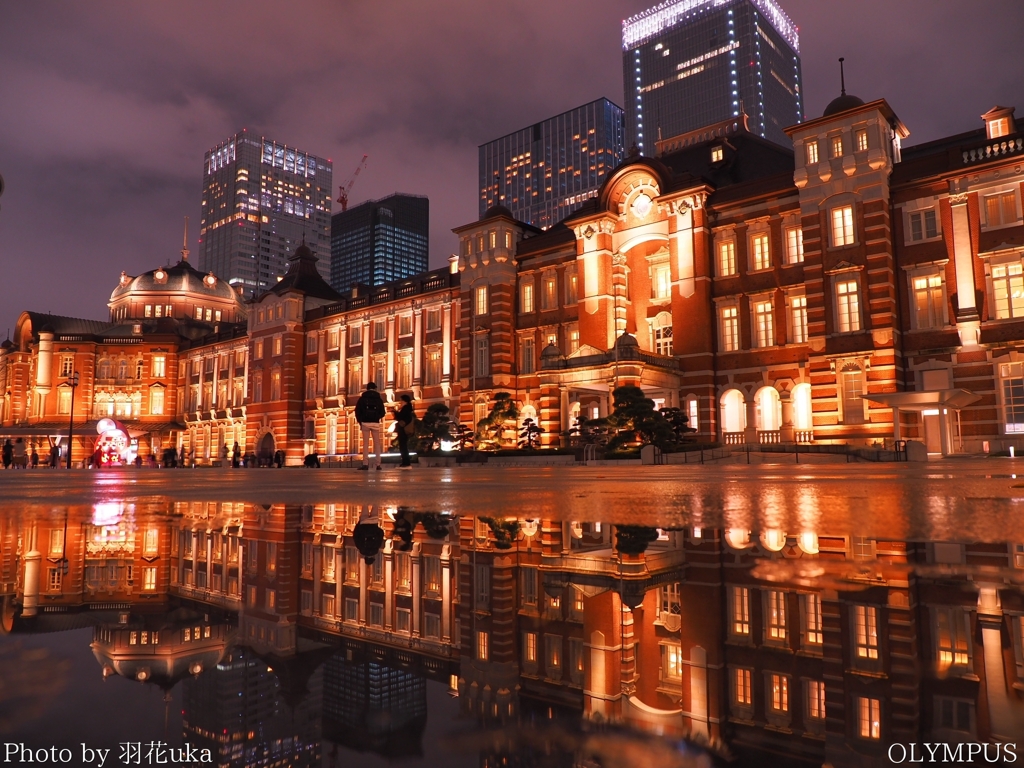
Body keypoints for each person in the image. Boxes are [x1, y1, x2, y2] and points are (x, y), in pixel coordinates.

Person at [354, 382, 386, 471]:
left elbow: (357, 411)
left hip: (365, 423)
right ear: (375, 388)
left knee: (365, 444)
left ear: (367, 388)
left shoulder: (362, 398)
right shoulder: (378, 399)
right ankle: (378, 464)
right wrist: (377, 417)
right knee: (377, 444)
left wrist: (360, 421)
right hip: (375, 423)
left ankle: (365, 464)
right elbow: (383, 412)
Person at [393, 394, 415, 469]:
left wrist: (395, 412)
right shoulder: (408, 408)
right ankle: (406, 462)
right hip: (405, 430)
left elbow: (400, 417)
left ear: (404, 401)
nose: (400, 402)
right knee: (404, 446)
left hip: (403, 430)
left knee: (403, 447)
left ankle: (406, 463)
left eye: (401, 400)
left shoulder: (405, 408)